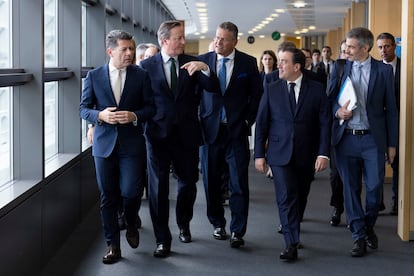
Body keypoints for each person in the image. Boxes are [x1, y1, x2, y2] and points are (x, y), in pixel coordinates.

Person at [140, 20, 219, 258]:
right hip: (157, 136)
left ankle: (183, 223)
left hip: (186, 135)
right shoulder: (146, 66)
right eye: (179, 38)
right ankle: (162, 238)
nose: (184, 42)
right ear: (164, 41)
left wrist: (205, 67)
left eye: (183, 37)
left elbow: (213, 87)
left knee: (188, 182)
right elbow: (138, 98)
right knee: (158, 188)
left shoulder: (191, 63)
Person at [79, 30, 155, 264]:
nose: (130, 53)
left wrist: (134, 115)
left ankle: (131, 221)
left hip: (131, 144)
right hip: (103, 146)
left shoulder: (140, 75)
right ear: (110, 51)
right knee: (107, 197)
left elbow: (151, 109)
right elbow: (83, 109)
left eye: (131, 48)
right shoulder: (94, 76)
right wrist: (99, 115)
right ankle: (113, 245)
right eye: (125, 49)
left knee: (131, 192)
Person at [254, 46, 330, 261]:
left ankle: (293, 227)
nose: (279, 65)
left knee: (301, 194)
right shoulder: (272, 88)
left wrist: (323, 153)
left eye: (284, 62)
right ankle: (290, 242)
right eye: (279, 61)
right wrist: (259, 154)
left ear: (297, 66)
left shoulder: (316, 89)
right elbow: (262, 123)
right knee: (286, 196)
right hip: (279, 153)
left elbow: (325, 123)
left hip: (307, 152)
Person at [329, 27, 398, 257]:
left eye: (350, 46)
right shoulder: (339, 68)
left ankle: (368, 225)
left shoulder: (383, 71)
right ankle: (358, 235)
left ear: (365, 48)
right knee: (350, 189)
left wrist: (392, 144)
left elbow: (391, 111)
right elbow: (328, 102)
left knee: (375, 187)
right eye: (346, 46)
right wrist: (338, 112)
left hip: (372, 140)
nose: (346, 50)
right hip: (346, 139)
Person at [198, 21, 263, 248]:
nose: (218, 42)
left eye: (223, 39)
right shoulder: (203, 61)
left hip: (236, 132)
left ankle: (237, 230)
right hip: (209, 132)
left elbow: (257, 97)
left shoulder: (248, 63)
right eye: (217, 37)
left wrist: (248, 120)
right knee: (211, 181)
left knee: (238, 183)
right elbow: (195, 95)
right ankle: (217, 223)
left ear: (235, 41)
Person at [376, 32, 401, 216]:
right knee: (376, 165)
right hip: (378, 124)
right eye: (380, 47)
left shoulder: (405, 66)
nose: (383, 50)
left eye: (387, 46)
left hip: (400, 122)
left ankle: (396, 201)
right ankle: (378, 202)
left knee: (398, 165)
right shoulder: (375, 69)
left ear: (394, 46)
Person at [327, 40, 348, 226]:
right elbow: (330, 97)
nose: (346, 54)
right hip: (338, 129)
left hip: (360, 131)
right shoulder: (338, 69)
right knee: (335, 174)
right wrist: (336, 111)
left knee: (353, 175)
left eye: (348, 51)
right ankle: (337, 207)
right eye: (342, 51)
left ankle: (352, 212)